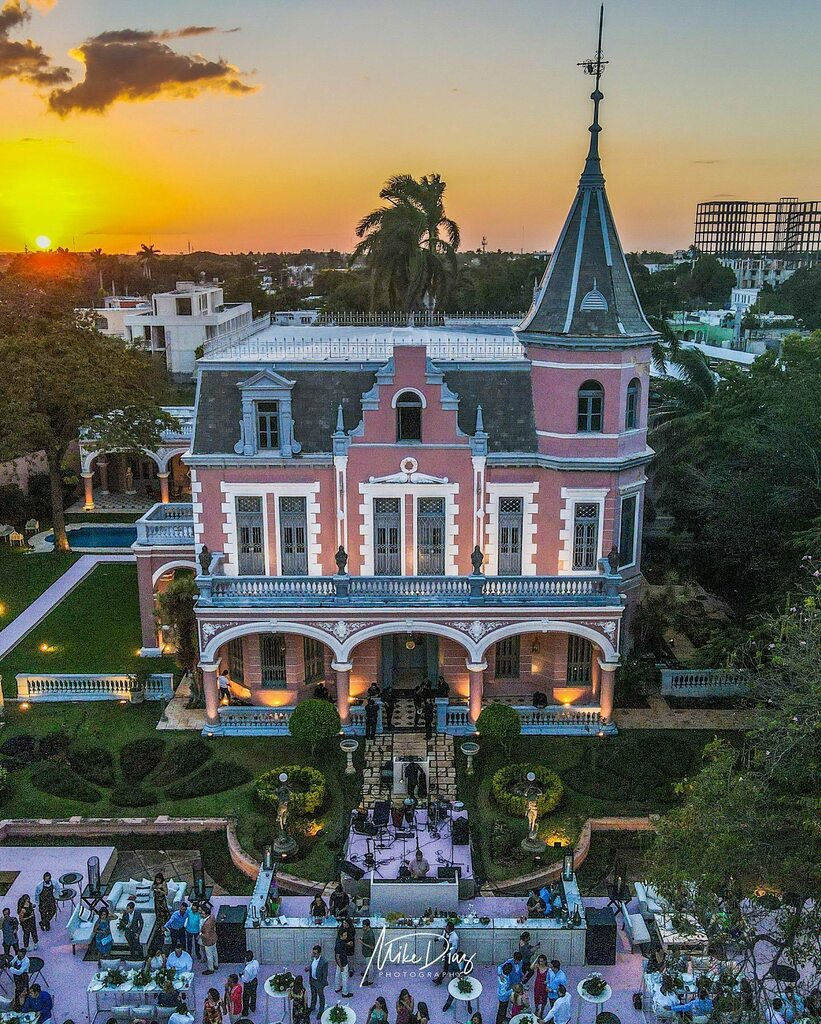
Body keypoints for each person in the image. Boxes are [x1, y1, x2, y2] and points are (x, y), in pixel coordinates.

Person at [306, 943, 328, 1019]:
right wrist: (308, 968)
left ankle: (321, 1010)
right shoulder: (313, 958)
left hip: (319, 982)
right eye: (313, 952)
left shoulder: (324, 962)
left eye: (315, 953)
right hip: (312, 980)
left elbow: (325, 974)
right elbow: (312, 966)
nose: (313, 954)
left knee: (321, 997)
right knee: (313, 994)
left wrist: (323, 984)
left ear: (319, 953)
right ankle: (312, 1007)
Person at [435, 921, 459, 986]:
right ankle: (456, 978)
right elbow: (443, 936)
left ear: (450, 929)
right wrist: (438, 939)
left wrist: (448, 955)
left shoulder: (454, 937)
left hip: (450, 952)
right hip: (446, 950)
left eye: (447, 927)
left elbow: (454, 947)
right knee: (450, 967)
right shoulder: (446, 931)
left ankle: (439, 980)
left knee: (447, 967)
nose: (445, 928)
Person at [200, 904, 219, 975]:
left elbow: (206, 935)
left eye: (202, 913)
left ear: (206, 914)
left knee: (209, 955)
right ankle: (216, 964)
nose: (201, 914)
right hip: (214, 938)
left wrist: (201, 935)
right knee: (214, 952)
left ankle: (211, 969)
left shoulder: (206, 923)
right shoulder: (212, 917)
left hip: (208, 941)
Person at [240, 950, 260, 1016]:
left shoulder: (247, 969)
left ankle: (245, 1011)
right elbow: (258, 970)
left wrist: (241, 976)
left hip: (248, 983)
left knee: (246, 997)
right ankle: (253, 1007)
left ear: (246, 958)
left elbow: (245, 980)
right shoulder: (256, 962)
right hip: (255, 980)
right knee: (254, 994)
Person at [334, 928, 352, 997]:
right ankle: (345, 993)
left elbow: (343, 944)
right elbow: (337, 956)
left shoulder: (339, 940)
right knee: (345, 978)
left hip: (339, 963)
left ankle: (337, 988)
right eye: (344, 935)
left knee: (337, 975)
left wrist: (347, 944)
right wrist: (341, 966)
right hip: (343, 962)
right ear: (341, 936)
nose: (346, 936)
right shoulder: (339, 945)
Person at [361, 919, 376, 985]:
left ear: (368, 926)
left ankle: (370, 980)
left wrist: (362, 942)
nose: (363, 928)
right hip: (365, 951)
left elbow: (372, 946)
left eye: (364, 926)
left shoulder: (370, 934)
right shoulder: (366, 931)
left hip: (369, 952)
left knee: (370, 967)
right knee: (368, 964)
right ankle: (367, 973)